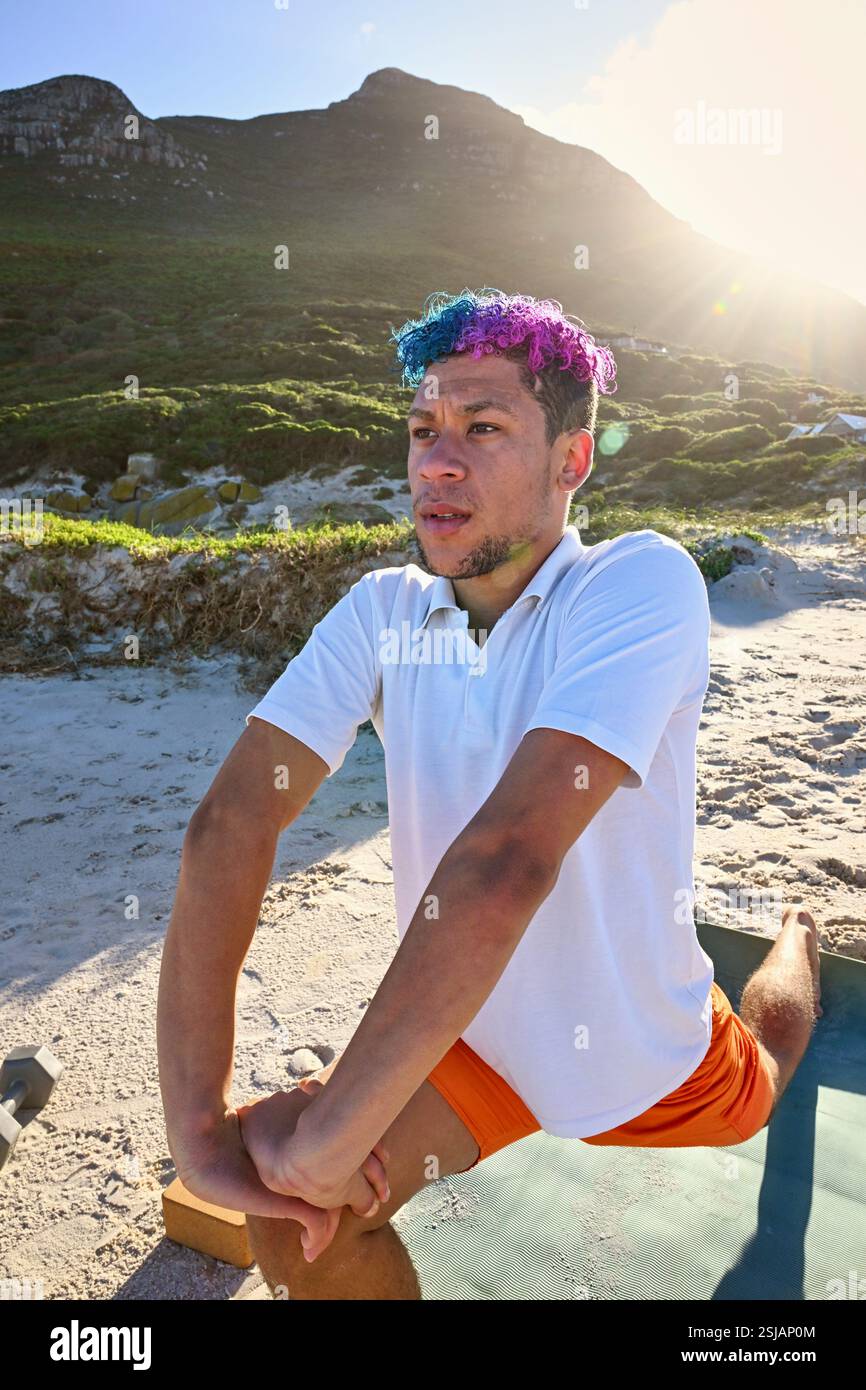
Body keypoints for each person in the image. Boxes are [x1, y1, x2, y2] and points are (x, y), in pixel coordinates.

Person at [157, 288, 822, 1301]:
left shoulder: (637, 582)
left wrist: (334, 1130)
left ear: (571, 461)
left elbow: (506, 860)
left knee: (768, 1065)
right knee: (295, 1220)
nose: (435, 460)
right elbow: (231, 822)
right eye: (422, 428)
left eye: (483, 427)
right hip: (470, 1043)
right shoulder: (381, 610)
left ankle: (797, 933)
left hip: (641, 1055)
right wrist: (201, 1128)